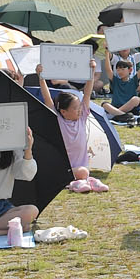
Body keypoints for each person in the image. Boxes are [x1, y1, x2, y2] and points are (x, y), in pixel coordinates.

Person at [35, 61, 110, 193]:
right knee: (82, 172)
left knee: (83, 171)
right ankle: (80, 182)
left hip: (81, 167)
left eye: (79, 107)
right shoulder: (58, 120)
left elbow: (87, 93)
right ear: (64, 112)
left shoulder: (81, 118)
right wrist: (41, 77)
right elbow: (47, 98)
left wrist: (91, 71)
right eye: (75, 108)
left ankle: (85, 181)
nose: (79, 110)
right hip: (64, 169)